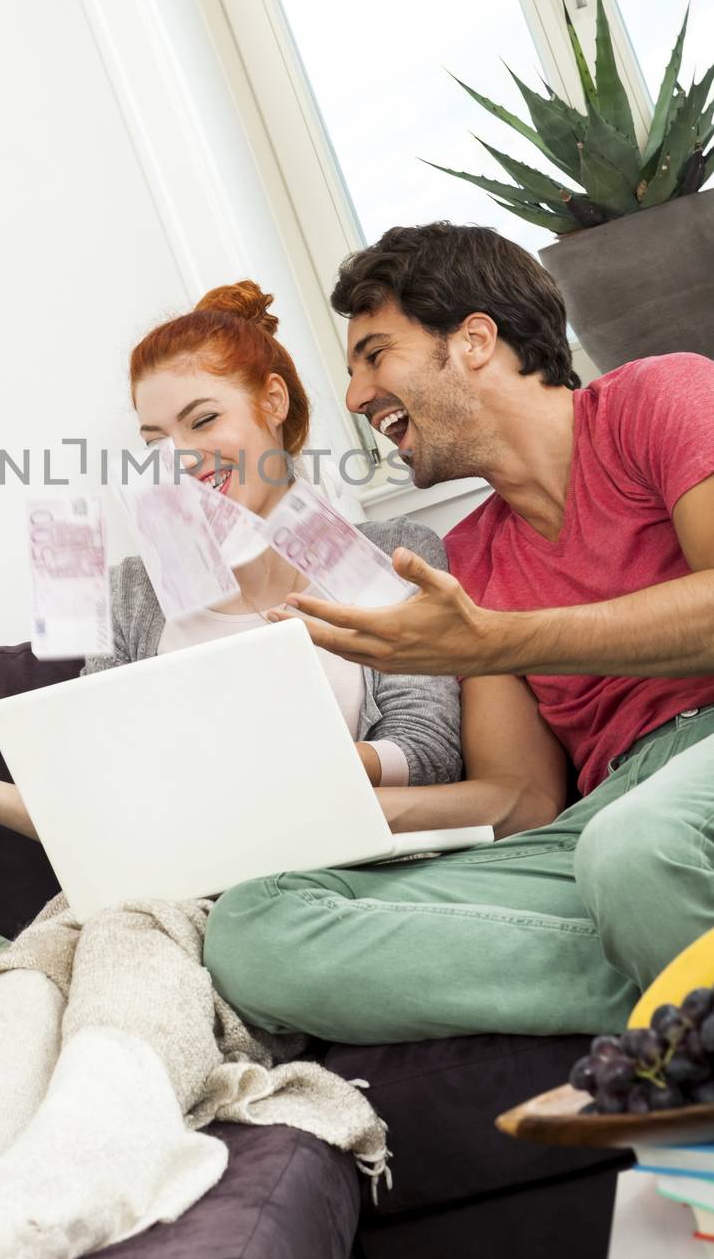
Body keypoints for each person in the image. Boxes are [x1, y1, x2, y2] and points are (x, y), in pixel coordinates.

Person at [203, 222, 714, 1047]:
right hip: (601, 824)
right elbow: (520, 802)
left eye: (374, 354)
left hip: (682, 786)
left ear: (474, 340)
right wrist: (315, 803)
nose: (354, 396)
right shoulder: (465, 558)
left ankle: (665, 963)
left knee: (634, 854)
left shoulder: (656, 399)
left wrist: (495, 642)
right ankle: (667, 969)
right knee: (254, 927)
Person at [0, 280, 462, 842]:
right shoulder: (133, 591)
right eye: (156, 442)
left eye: (204, 420)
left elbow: (428, 753)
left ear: (273, 401)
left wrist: (255, 768)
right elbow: (99, 806)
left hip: (321, 863)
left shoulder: (392, 553)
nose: (180, 459)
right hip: (162, 883)